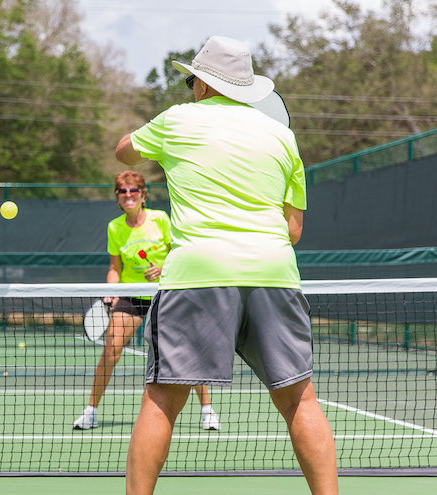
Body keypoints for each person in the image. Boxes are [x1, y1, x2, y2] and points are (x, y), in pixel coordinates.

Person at [116, 36, 338, 494]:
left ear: (201, 84)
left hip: (198, 276)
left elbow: (124, 151)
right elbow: (293, 231)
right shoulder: (282, 136)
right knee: (300, 399)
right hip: (274, 274)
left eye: (190, 78)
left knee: (161, 400)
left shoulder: (176, 120)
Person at [73, 171, 220, 432]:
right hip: (131, 295)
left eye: (133, 190)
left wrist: (164, 267)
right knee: (110, 349)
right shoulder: (114, 227)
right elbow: (114, 267)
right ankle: (90, 412)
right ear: (117, 198)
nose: (128, 195)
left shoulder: (160, 219)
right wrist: (110, 290)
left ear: (143, 195)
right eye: (122, 192)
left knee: (186, 351)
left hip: (165, 292)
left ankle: (207, 411)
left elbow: (181, 251)